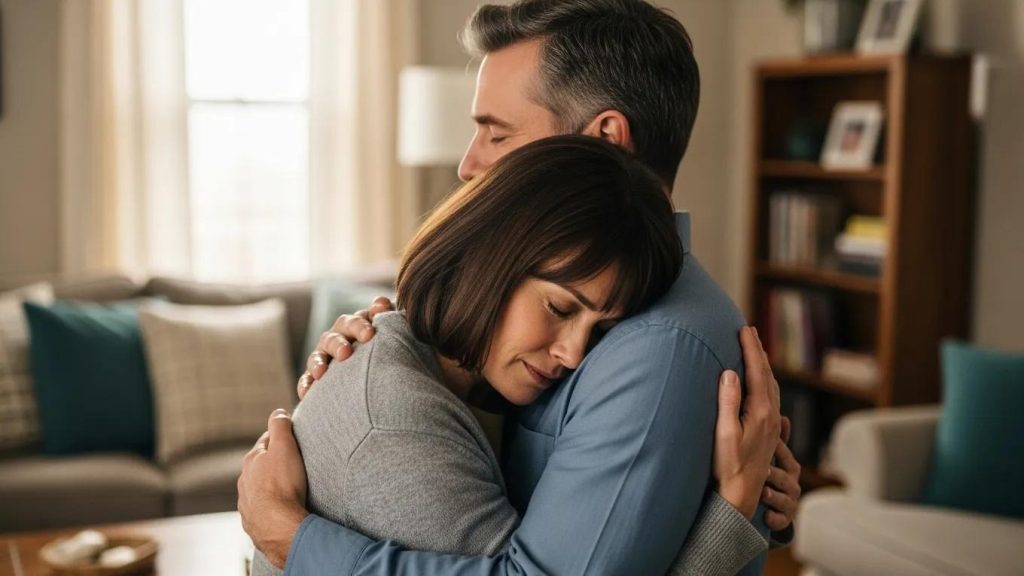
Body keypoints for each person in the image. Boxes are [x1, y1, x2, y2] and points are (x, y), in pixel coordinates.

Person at [238, 1, 802, 574]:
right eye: (560, 308)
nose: (468, 165)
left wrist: (289, 537)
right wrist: (385, 345)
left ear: (604, 141)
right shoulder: (535, 339)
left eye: (497, 134)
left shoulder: (656, 345)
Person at [251, 135, 765, 575]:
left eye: (602, 329)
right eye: (559, 307)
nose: (574, 354)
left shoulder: (463, 382)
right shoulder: (395, 427)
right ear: (489, 256)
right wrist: (731, 511)